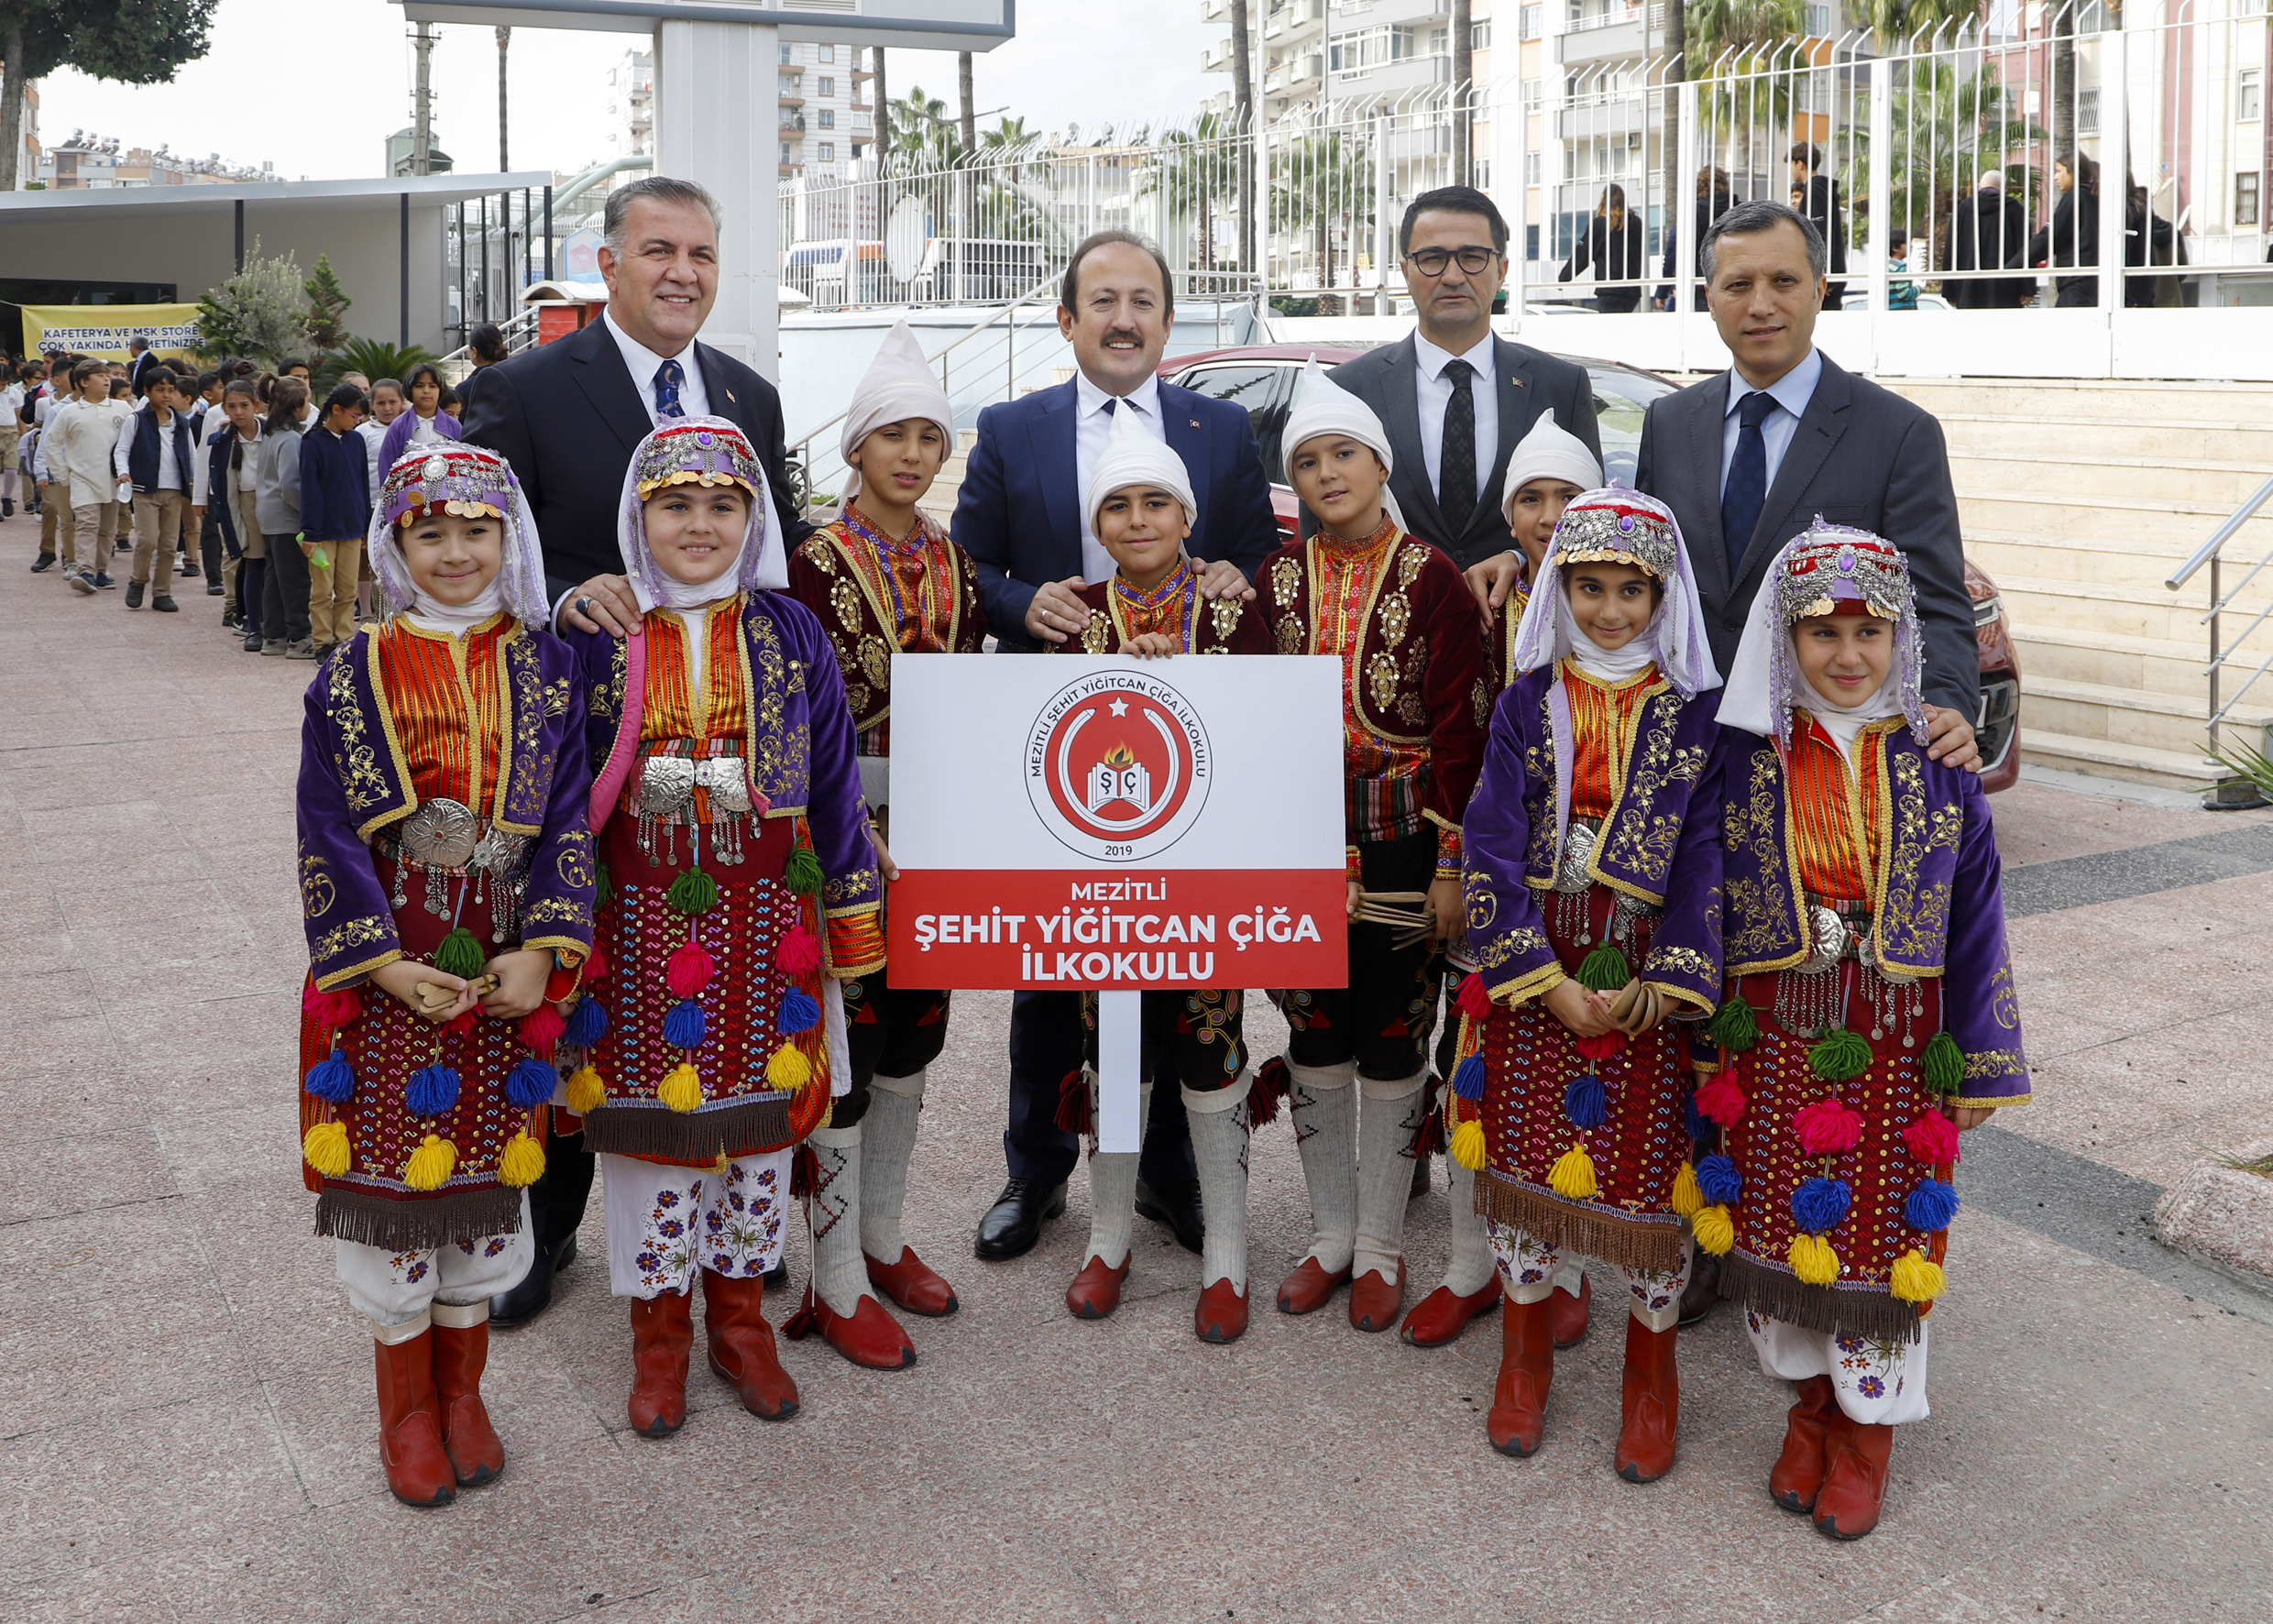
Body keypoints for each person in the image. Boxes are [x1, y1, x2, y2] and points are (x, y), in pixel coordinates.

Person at [460, 173, 815, 1329]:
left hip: (729, 755)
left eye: (701, 254)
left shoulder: (750, 395)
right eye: (659, 250)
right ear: (607, 263)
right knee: (584, 985)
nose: (682, 273)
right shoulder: (521, 388)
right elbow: (475, 550)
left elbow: (776, 547)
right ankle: (549, 1226)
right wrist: (567, 595)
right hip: (586, 750)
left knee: (735, 986)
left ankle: (730, 1231)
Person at [954, 228, 1279, 1264]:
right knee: (1054, 965)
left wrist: (1232, 575)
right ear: (1067, 319)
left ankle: (1170, 1174)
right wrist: (1022, 601)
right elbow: (968, 564)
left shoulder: (1222, 427)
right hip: (1054, 744)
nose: (1123, 318)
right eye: (1103, 300)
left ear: (1169, 321)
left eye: (1143, 301)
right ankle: (1037, 1167)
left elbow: (1260, 555)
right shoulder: (1011, 427)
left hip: (1196, 751)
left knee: (1186, 959)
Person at [1703, 522, 2028, 1539]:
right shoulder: (1743, 756)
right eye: (1822, 632)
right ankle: (1808, 1406)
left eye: (1869, 632)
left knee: (1882, 1243)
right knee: (1774, 1228)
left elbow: (1976, 917)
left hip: (1897, 1046)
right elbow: (1703, 892)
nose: (1847, 655)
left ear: (1902, 639)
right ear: (1784, 640)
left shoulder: (1940, 760)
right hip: (1772, 1039)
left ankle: (1867, 1434)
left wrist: (1982, 1058)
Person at [565, 416, 884, 1433]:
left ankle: (741, 1327)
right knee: (650, 1146)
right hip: (636, 930)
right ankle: (658, 1341)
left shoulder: (790, 629)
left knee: (756, 1137)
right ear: (638, 515)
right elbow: (556, 784)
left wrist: (851, 916)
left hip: (768, 925)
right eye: (675, 504)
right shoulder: (599, 630)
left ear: (754, 519)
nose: (699, 524)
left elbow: (833, 780)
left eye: (722, 504)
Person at [295, 441, 594, 1508]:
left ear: (509, 537)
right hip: (390, 970)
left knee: (482, 1195)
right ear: (396, 544)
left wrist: (545, 949)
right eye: (431, 532)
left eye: (477, 530)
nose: (456, 551)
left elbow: (569, 818)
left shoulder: (550, 666)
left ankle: (464, 1394)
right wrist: (379, 965)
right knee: (395, 1189)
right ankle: (406, 1412)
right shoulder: (351, 670)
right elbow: (326, 827)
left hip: (505, 968)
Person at [1454, 485, 1724, 1477]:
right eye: (1589, 587)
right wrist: (1541, 977)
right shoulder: (1526, 700)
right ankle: (1522, 1363)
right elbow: (1490, 838)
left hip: (1646, 988)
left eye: (1630, 590)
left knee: (1653, 1195)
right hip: (1539, 979)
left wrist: (1664, 983)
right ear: (1559, 589)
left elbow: (1708, 857)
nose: (1610, 610)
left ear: (1663, 596)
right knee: (1526, 1179)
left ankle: (1651, 1382)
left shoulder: (1698, 718)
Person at [1257, 360, 1487, 1333]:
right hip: (1299, 839)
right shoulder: (1272, 580)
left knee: (1394, 1034)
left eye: (1343, 453)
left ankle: (1384, 1246)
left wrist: (1450, 865)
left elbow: (1461, 730)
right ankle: (1330, 1237)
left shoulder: (1434, 578)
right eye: (1306, 461)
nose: (1326, 473)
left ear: (1381, 464)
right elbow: (1249, 719)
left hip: (1406, 843)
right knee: (1313, 1029)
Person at [1049, 402, 1275, 1342]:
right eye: (1117, 506)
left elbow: (1262, 732)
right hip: (1102, 886)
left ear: (1187, 516)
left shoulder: (1233, 610)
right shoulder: (1074, 618)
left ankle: (1226, 1246)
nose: (1137, 520)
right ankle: (1107, 1237)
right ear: (1097, 525)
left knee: (1210, 1047)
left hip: (1208, 879)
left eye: (1155, 503)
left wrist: (1182, 674)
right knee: (1114, 1053)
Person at [785, 320, 985, 1350]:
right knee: (845, 1040)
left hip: (935, 829)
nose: (912, 454)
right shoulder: (809, 563)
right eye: (892, 435)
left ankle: (883, 1234)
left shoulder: (952, 557)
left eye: (928, 437)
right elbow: (791, 712)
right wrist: (841, 829)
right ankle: (831, 1274)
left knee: (915, 1032)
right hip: (842, 832)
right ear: (855, 447)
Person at [1405, 406, 1605, 1355]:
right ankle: (1468, 1265)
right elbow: (1462, 744)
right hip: (1496, 877)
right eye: (1530, 497)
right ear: (1507, 513)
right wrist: (1453, 866)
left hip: (1594, 895)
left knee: (1573, 1076)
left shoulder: (1628, 604)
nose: (1549, 513)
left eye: (1568, 495)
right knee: (1472, 1073)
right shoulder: (1485, 602)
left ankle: (1565, 1268)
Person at [1323, 186, 1602, 571]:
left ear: (1501, 271)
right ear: (1405, 273)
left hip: (1519, 607)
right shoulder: (1349, 389)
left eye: (1473, 257)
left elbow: (1591, 523)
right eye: (1432, 258)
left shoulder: (1562, 387)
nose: (1453, 276)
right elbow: (1321, 538)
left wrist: (1521, 558)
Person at [113, 366, 196, 612]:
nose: (166, 395)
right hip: (145, 489)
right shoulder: (136, 420)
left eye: (171, 390)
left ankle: (162, 592)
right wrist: (123, 472)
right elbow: (122, 449)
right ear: (147, 391)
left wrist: (194, 481)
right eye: (160, 390)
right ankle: (138, 581)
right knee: (147, 540)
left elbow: (191, 454)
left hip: (174, 490)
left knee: (169, 545)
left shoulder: (181, 422)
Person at [49, 357, 133, 595]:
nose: (107, 380)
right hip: (82, 478)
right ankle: (85, 571)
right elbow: (51, 442)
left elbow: (134, 440)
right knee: (86, 525)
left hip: (113, 480)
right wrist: (63, 474)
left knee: (107, 529)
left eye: (108, 376)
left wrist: (128, 471)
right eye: (100, 376)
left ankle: (101, 571)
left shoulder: (123, 409)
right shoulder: (70, 412)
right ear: (83, 382)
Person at [301, 382, 373, 657]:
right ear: (336, 410)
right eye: (355, 416)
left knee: (347, 590)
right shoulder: (312, 442)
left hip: (352, 527)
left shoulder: (356, 441)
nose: (358, 422)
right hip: (321, 532)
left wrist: (365, 524)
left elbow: (362, 483)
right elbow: (309, 489)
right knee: (322, 590)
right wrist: (310, 532)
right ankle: (321, 642)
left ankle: (344, 640)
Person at [196, 379, 265, 646]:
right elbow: (208, 467)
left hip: (273, 502)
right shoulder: (223, 438)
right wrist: (200, 498)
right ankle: (252, 625)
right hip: (243, 503)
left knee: (275, 563)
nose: (238, 412)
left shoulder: (270, 432)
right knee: (252, 559)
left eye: (244, 405)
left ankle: (275, 621)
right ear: (224, 408)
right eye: (232, 406)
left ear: (256, 405)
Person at [255, 376, 318, 658]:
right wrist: (309, 513)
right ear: (296, 406)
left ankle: (274, 635)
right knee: (295, 580)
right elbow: (290, 485)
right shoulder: (291, 439)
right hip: (285, 517)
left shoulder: (272, 433)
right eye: (307, 401)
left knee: (275, 577)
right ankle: (300, 637)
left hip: (268, 516)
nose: (310, 407)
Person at [1943, 170, 2032, 310]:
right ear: (2004, 189)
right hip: (2006, 287)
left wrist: (1949, 291)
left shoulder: (1963, 208)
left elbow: (1951, 249)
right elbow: (2025, 249)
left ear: (1980, 186)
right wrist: (2027, 288)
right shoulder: (2015, 209)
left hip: (1968, 286)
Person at [1657, 168, 1739, 311]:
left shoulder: (1694, 211)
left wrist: (1662, 291)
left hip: (1700, 282)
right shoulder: (1738, 210)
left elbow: (1674, 251)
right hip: (1736, 280)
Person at [2027, 154, 2101, 308]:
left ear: (2072, 171)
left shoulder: (2075, 197)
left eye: (2059, 171)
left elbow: (2051, 237)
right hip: (2089, 281)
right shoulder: (2092, 198)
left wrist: (2014, 264)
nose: (2055, 177)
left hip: (2076, 282)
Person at [1558, 184, 1644, 313]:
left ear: (1604, 201)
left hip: (1609, 289)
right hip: (1632, 290)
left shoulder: (1600, 224)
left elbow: (1583, 254)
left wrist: (1564, 278)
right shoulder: (1636, 222)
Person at [1789, 143, 1849, 309]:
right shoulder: (1820, 189)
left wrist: (1822, 274)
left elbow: (1820, 233)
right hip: (1828, 276)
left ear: (1799, 164)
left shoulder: (1815, 190)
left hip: (1826, 280)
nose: (1791, 171)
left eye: (1791, 165)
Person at [379, 363, 461, 469]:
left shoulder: (454, 426)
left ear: (440, 390)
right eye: (419, 386)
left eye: (432, 386)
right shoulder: (399, 426)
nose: (426, 391)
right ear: (410, 390)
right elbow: (386, 465)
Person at [360, 379, 408, 499]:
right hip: (373, 499)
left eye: (392, 402)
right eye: (381, 403)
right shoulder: (362, 432)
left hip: (406, 499)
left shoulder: (410, 429)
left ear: (402, 402)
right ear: (372, 404)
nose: (387, 408)